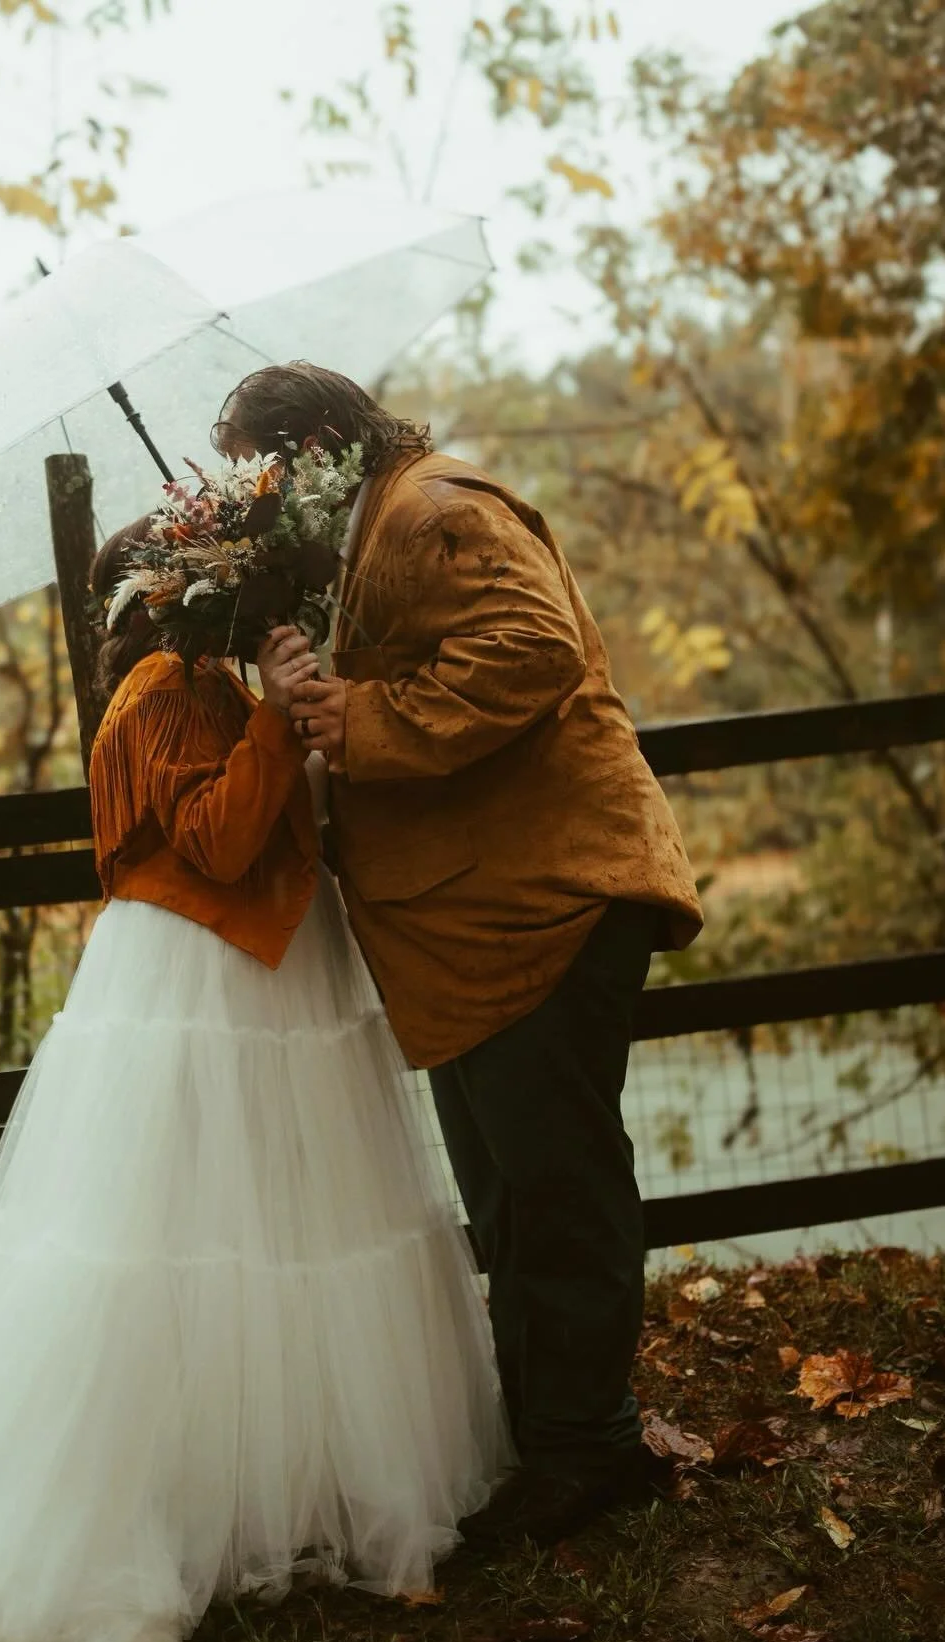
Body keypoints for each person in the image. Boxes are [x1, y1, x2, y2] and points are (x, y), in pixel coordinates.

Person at [0, 519, 509, 1642]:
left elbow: (277, 814)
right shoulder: (155, 697)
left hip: (280, 969)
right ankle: (141, 1514)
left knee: (293, 1234)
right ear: (171, 606)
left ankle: (289, 1492)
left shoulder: (211, 683)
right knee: (174, 1248)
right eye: (217, 592)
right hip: (194, 986)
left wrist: (296, 701)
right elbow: (215, 840)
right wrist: (277, 719)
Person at [213, 362, 705, 1548]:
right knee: (512, 1194)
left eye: (268, 473)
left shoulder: (436, 512)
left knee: (555, 1185)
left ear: (326, 442)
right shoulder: (378, 529)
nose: (264, 500)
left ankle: (590, 1450)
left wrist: (361, 720)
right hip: (480, 920)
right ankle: (559, 1438)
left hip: (543, 903)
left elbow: (532, 648)